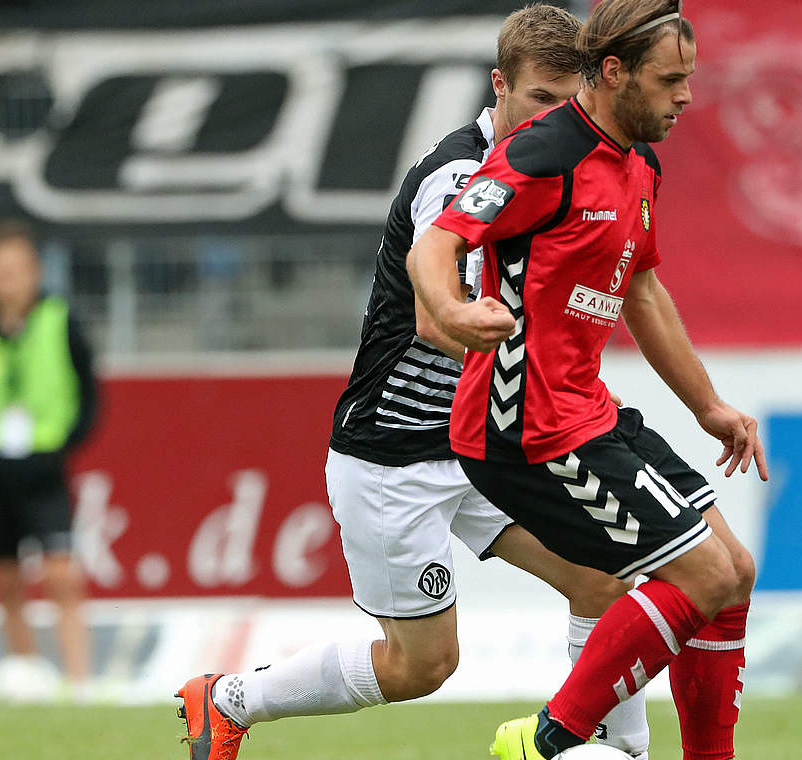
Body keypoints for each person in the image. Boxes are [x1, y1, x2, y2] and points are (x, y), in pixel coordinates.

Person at [176, 7, 652, 760]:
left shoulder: (558, 174)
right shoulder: (461, 177)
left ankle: (611, 752)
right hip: (394, 453)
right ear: (500, 87)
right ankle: (229, 699)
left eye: (570, 103)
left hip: (482, 444)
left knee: (604, 575)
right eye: (539, 99)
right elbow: (441, 321)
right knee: (421, 666)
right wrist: (556, 382)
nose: (553, 120)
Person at [412, 2, 764, 759]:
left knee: (733, 574)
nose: (686, 97)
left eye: (689, 79)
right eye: (669, 79)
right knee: (702, 575)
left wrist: (709, 407)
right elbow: (437, 245)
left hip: (588, 415)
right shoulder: (542, 155)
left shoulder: (641, 166)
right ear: (613, 72)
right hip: (520, 428)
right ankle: (546, 741)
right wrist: (453, 310)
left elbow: (641, 290)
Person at [0, 219, 97, 697]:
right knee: (4, 578)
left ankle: (79, 681)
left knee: (62, 574)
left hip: (44, 470)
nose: (8, 280)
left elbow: (87, 391)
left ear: (35, 271)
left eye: (17, 270)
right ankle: (25, 671)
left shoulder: (59, 321)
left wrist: (63, 444)